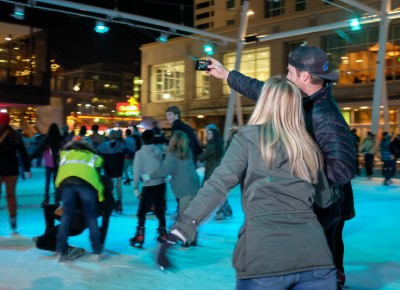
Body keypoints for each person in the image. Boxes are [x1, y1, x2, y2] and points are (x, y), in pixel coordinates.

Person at [157, 77, 337, 289]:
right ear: (295, 107)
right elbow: (325, 198)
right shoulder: (308, 146)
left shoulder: (247, 139)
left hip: (264, 257)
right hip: (315, 258)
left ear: (264, 103)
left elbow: (217, 186)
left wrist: (180, 230)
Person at [205, 46, 356, 286]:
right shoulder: (300, 100)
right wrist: (226, 75)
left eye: (289, 72)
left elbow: (344, 168)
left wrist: (302, 178)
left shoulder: (325, 115)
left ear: (304, 76)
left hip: (320, 212)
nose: (286, 77)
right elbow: (263, 90)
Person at [33, 175, 115, 260]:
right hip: (77, 223)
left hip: (74, 224)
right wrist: (100, 243)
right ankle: (48, 236)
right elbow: (105, 224)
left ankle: (68, 249)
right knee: (48, 209)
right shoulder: (108, 201)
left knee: (40, 243)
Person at [144, 130, 201, 247]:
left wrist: (149, 175)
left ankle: (187, 239)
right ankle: (193, 237)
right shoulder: (188, 151)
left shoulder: (173, 154)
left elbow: (165, 170)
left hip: (184, 188)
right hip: (194, 184)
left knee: (184, 215)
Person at [55, 137, 104, 261]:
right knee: (91, 216)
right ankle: (97, 251)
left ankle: (60, 251)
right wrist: (101, 196)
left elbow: (59, 166)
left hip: (66, 184)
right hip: (86, 185)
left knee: (66, 215)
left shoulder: (64, 155)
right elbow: (100, 163)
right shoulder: (92, 156)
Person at [130, 130, 167, 248]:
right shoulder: (159, 151)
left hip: (148, 185)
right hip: (160, 184)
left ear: (142, 140)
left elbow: (136, 172)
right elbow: (161, 166)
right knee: (160, 210)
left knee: (141, 212)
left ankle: (140, 235)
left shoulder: (139, 154)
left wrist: (135, 187)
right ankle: (163, 233)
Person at [0, 112, 32, 231]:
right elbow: (23, 153)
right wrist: (27, 168)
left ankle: (13, 219)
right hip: (11, 169)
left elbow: (23, 153)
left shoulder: (13, 135)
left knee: (10, 195)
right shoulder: (15, 135)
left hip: (5, 169)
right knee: (11, 195)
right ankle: (13, 219)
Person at [198, 127, 232, 220]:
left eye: (209, 134)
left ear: (214, 135)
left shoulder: (211, 146)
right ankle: (226, 209)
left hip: (211, 174)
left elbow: (202, 157)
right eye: (207, 134)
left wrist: (196, 154)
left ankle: (221, 211)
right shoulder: (218, 145)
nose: (207, 136)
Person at [30, 123, 63, 207]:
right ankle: (57, 199)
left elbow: (39, 150)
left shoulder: (46, 139)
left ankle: (46, 199)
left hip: (49, 163)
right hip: (57, 163)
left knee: (47, 182)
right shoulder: (59, 139)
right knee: (56, 182)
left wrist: (30, 157)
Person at [97, 130, 126, 213]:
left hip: (108, 169)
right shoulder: (121, 145)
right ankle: (119, 202)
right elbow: (127, 151)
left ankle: (111, 202)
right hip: (119, 169)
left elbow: (98, 152)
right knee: (118, 186)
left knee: (110, 186)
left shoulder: (103, 146)